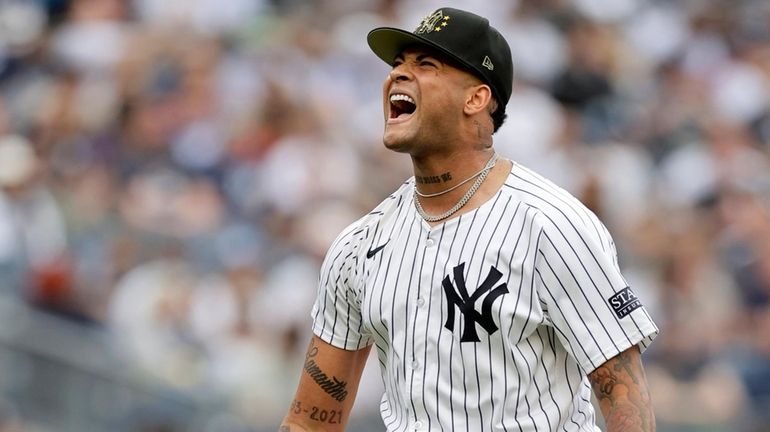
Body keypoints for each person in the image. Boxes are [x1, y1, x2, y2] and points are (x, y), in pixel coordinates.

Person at [280, 7, 658, 432]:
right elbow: (310, 423)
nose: (398, 75)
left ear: (476, 98)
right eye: (398, 64)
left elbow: (625, 400)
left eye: (425, 64)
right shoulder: (360, 244)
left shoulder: (551, 225)